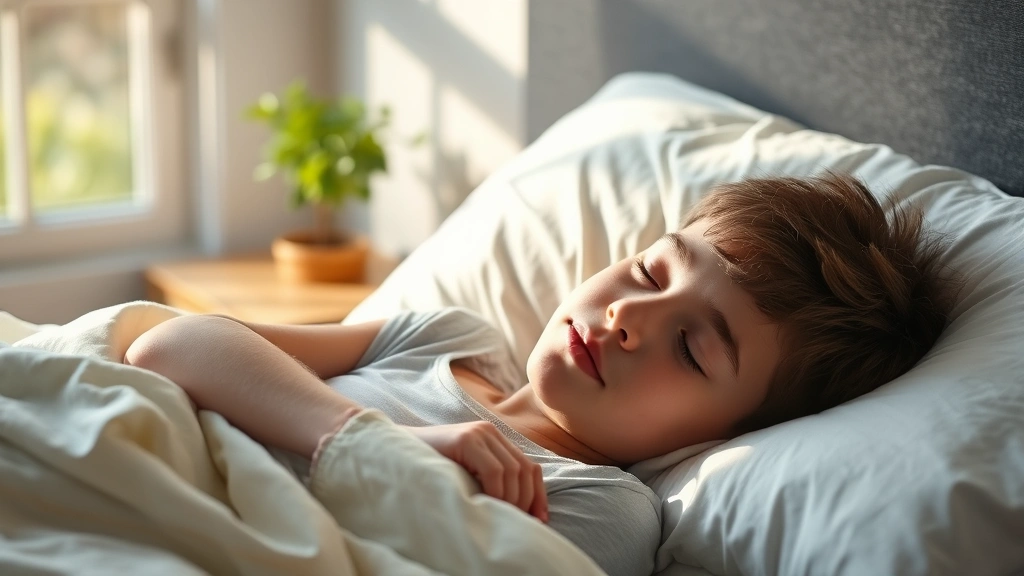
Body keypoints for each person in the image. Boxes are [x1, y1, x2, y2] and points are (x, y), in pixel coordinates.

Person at [123, 171, 958, 576]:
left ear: (728, 434)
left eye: (693, 349)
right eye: (647, 273)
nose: (630, 319)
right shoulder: (443, 338)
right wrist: (371, 439)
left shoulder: (605, 511)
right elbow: (170, 347)